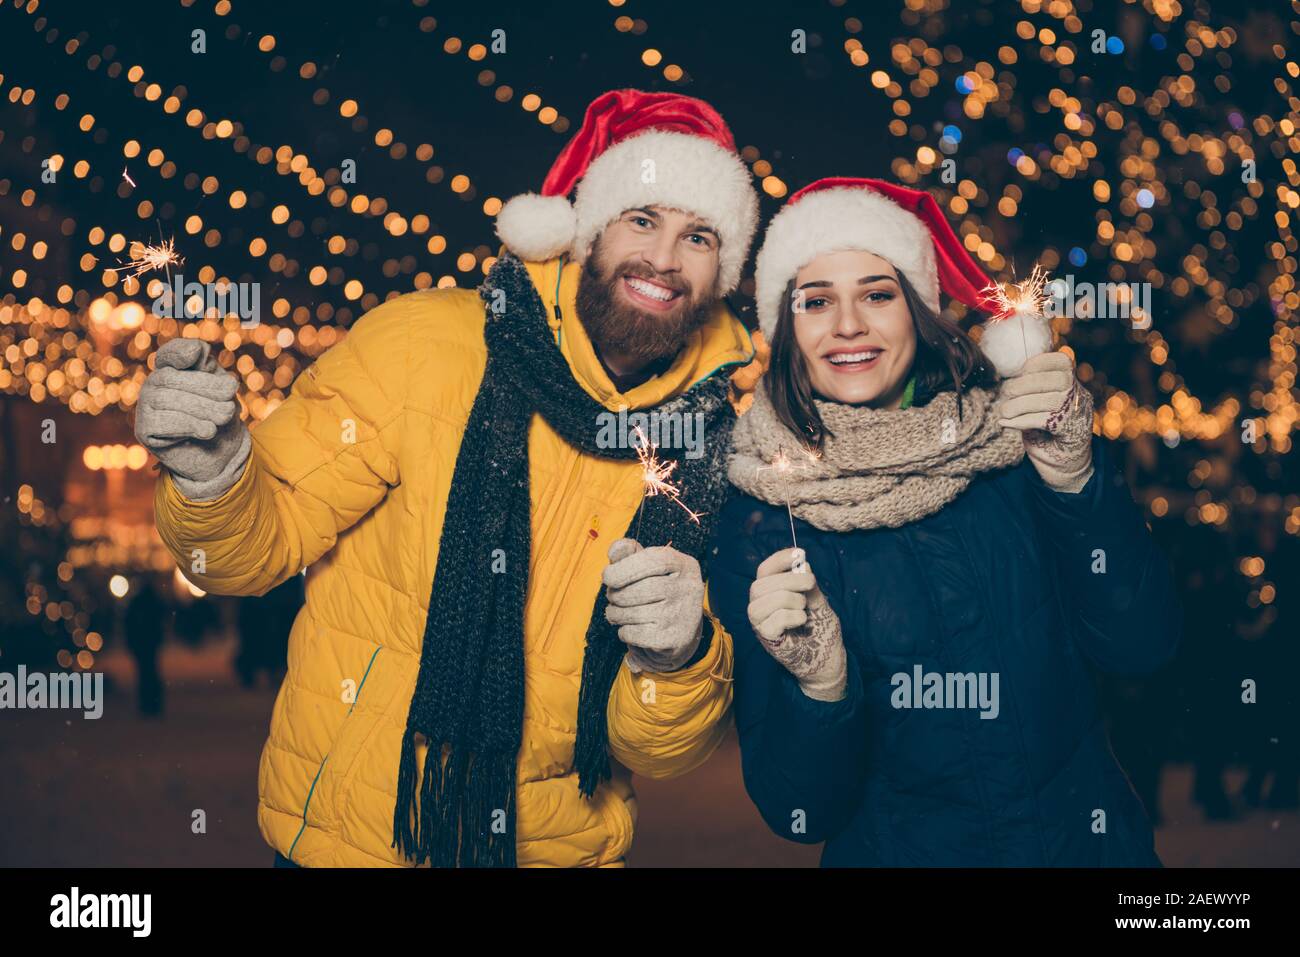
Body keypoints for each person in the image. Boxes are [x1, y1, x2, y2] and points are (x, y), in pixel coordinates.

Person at [133, 89, 762, 867]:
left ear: (724, 268)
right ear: (586, 230)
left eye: (698, 235)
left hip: (557, 852)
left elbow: (660, 749)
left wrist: (678, 657)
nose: (664, 259)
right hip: (354, 843)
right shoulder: (424, 345)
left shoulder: (720, 446)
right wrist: (213, 473)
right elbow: (243, 555)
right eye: (642, 219)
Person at [707, 178, 1182, 866]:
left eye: (877, 293)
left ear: (918, 310)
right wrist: (820, 688)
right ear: (787, 329)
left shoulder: (1015, 446)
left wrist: (1077, 483)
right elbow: (799, 809)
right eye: (816, 301)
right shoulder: (760, 516)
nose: (848, 325)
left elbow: (1144, 646)